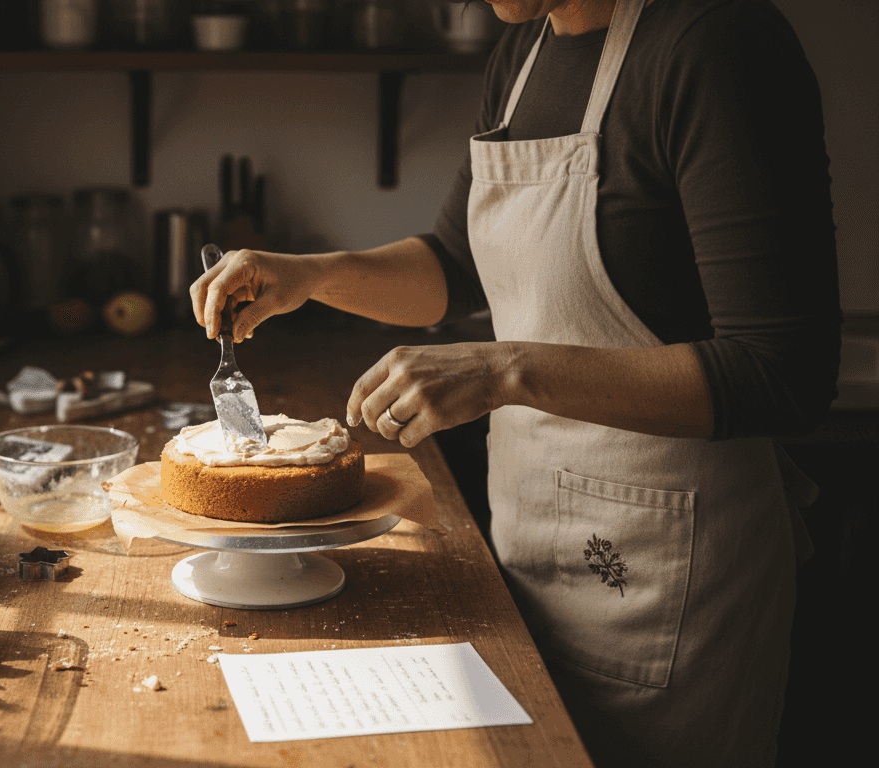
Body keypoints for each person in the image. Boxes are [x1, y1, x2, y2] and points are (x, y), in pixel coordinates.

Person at [190, 0, 840, 765]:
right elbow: (456, 266)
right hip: (531, 545)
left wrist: (504, 368)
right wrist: (311, 276)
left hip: (672, 577)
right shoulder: (525, 52)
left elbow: (782, 373)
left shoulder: (715, 43)